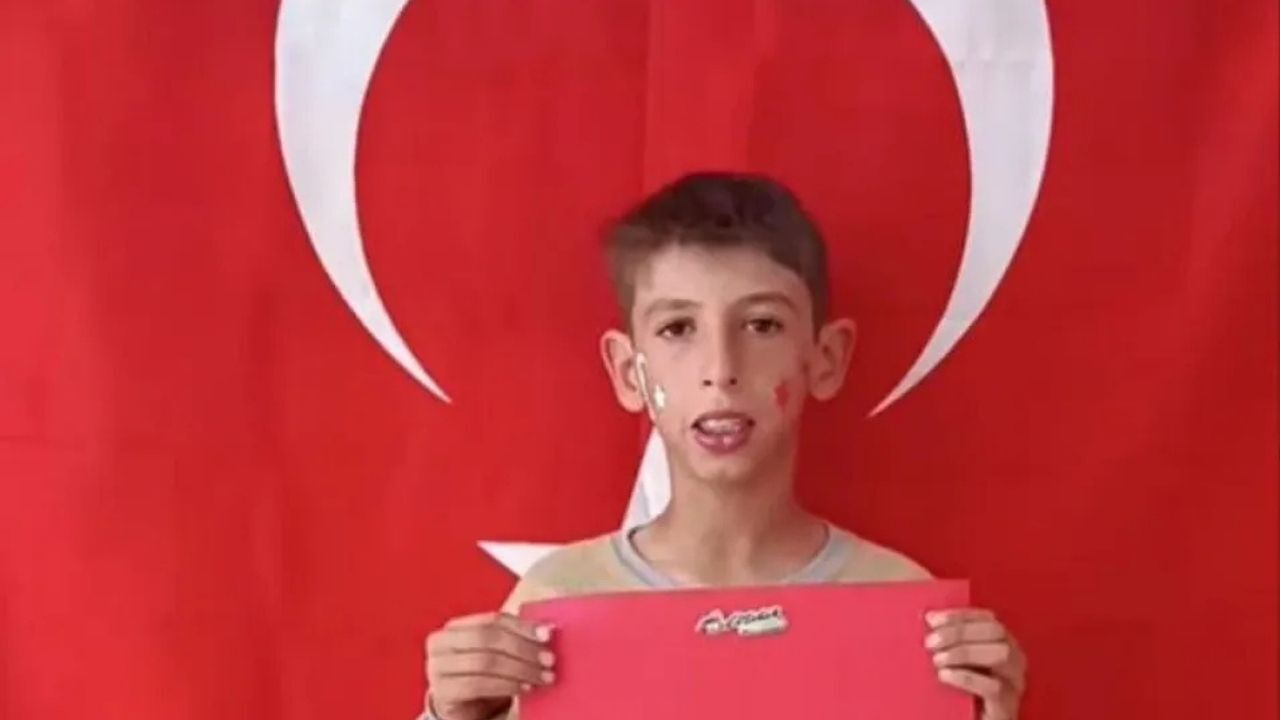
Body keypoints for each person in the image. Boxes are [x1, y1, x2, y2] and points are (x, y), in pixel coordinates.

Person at [421, 172, 1027, 720]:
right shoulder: (557, 603)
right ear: (629, 372)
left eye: (762, 325)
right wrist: (448, 717)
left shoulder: (902, 609)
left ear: (825, 358)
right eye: (677, 328)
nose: (720, 369)